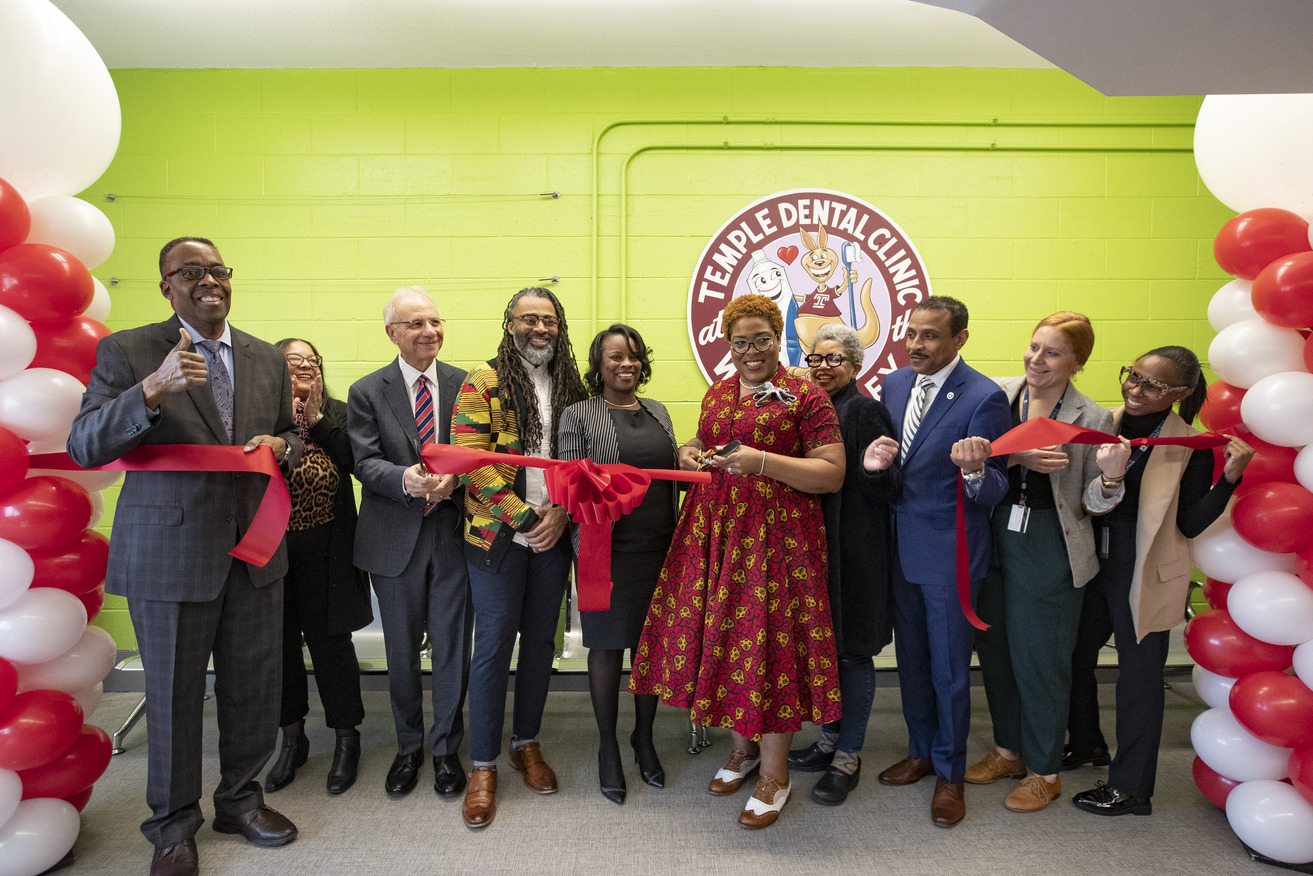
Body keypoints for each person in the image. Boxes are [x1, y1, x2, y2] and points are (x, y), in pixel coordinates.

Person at [67, 237, 302, 876]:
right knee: (172, 695)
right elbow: (85, 444)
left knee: (254, 685)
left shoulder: (263, 356)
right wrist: (151, 388)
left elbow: (289, 437)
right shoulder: (129, 351)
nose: (209, 281)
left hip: (254, 549)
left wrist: (282, 447)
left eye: (218, 270)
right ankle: (172, 827)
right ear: (166, 285)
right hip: (169, 554)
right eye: (190, 272)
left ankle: (240, 801)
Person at [630, 293, 846, 830]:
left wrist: (763, 462)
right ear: (729, 345)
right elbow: (710, 440)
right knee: (726, 640)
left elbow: (832, 473)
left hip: (781, 547)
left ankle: (775, 774)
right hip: (719, 537)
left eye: (762, 340)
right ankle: (742, 751)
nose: (751, 351)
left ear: (779, 339)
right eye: (740, 342)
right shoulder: (719, 392)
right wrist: (688, 449)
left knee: (769, 648)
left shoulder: (805, 395)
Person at [1066, 346, 1252, 816]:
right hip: (1092, 560)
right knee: (1071, 654)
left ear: (1182, 394)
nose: (1135, 389)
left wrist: (1228, 480)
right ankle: (1087, 743)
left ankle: (1131, 789)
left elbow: (1189, 523)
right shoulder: (1100, 425)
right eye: (1133, 376)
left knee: (1139, 678)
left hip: (1143, 565)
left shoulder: (1188, 446)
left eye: (1154, 386)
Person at [963, 313, 1131, 813]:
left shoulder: (1094, 418)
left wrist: (1111, 480)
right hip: (993, 537)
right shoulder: (996, 395)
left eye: (1052, 352)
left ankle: (1045, 770)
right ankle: (1009, 752)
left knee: (1041, 660)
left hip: (1051, 543)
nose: (1037, 359)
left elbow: (1093, 504)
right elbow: (979, 462)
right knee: (995, 653)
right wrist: (1015, 457)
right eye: (1034, 347)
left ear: (1077, 362)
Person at [861, 295, 1010, 829]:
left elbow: (996, 488)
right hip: (899, 547)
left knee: (949, 668)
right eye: (911, 333)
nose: (916, 345)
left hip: (950, 553)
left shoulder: (985, 397)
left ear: (959, 339)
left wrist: (974, 472)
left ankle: (950, 773)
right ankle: (921, 751)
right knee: (915, 662)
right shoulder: (896, 383)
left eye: (929, 336)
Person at [451, 286, 589, 829]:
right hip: (499, 537)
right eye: (529, 319)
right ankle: (483, 765)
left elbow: (582, 459)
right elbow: (470, 458)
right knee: (492, 648)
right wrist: (525, 517)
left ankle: (524, 742)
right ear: (509, 325)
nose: (540, 328)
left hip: (554, 533)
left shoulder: (572, 384)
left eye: (549, 320)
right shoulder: (481, 381)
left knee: (539, 646)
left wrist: (558, 512)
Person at [347, 287, 471, 800]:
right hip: (394, 537)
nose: (430, 332)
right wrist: (407, 479)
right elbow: (364, 459)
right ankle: (408, 747)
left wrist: (455, 481)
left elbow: (479, 452)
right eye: (416, 324)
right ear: (392, 333)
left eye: (436, 322)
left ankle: (444, 750)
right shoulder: (367, 390)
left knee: (451, 651)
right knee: (400, 653)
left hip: (452, 538)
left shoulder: (466, 384)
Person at [557, 324, 678, 805]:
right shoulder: (579, 414)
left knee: (649, 650)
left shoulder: (660, 411)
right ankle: (608, 746)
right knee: (606, 649)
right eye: (614, 357)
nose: (625, 364)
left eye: (633, 356)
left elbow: (672, 473)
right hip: (604, 550)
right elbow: (568, 486)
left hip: (660, 548)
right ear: (598, 364)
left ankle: (642, 738)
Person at [786, 323, 902, 807]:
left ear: (856, 366)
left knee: (853, 655)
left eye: (834, 360)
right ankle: (830, 740)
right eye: (816, 359)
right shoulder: (810, 410)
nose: (823, 368)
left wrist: (876, 470)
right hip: (814, 554)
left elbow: (889, 489)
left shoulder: (865, 409)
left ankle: (848, 755)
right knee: (826, 655)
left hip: (855, 556)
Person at [265, 338, 372, 796]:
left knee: (332, 646)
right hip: (270, 551)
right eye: (295, 361)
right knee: (280, 646)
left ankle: (347, 739)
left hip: (328, 549)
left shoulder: (340, 412)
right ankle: (292, 739)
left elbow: (355, 461)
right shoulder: (263, 413)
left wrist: (316, 418)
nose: (306, 366)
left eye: (313, 361)